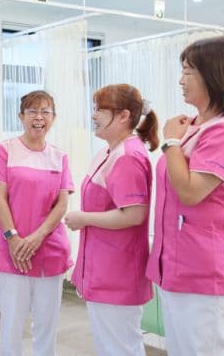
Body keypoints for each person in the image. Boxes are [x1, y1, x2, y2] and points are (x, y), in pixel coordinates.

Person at [146, 36, 224, 355]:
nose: (181, 80)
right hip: (176, 266)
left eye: (188, 72)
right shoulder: (195, 126)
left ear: (213, 75)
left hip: (204, 271)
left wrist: (170, 142)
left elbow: (191, 191)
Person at [65, 84, 158, 356]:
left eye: (100, 110)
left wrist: (84, 218)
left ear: (123, 116)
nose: (94, 115)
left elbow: (134, 213)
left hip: (117, 272)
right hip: (105, 267)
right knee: (111, 346)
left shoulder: (128, 156)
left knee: (121, 348)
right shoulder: (111, 152)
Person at [0, 90, 74, 356]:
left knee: (47, 325)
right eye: (32, 111)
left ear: (54, 118)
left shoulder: (59, 156)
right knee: (11, 324)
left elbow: (62, 204)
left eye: (45, 112)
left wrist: (37, 237)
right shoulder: (5, 150)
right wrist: (13, 238)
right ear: (20, 116)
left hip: (49, 248)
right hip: (10, 249)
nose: (39, 117)